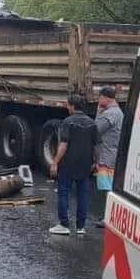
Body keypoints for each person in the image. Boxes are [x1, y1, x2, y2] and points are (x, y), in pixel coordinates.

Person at [49, 94, 98, 236]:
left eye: (67, 104)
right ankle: (81, 227)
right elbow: (95, 145)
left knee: (64, 192)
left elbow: (63, 144)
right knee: (83, 195)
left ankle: (64, 224)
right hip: (85, 164)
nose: (66, 107)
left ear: (72, 106)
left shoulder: (68, 122)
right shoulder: (92, 123)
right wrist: (95, 161)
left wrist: (55, 162)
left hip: (68, 163)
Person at [93, 85, 124, 227]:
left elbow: (95, 130)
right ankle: (108, 216)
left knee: (107, 187)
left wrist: (98, 113)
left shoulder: (110, 114)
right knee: (107, 185)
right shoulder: (115, 112)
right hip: (111, 154)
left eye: (99, 97)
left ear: (105, 97)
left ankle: (108, 218)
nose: (98, 100)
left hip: (107, 156)